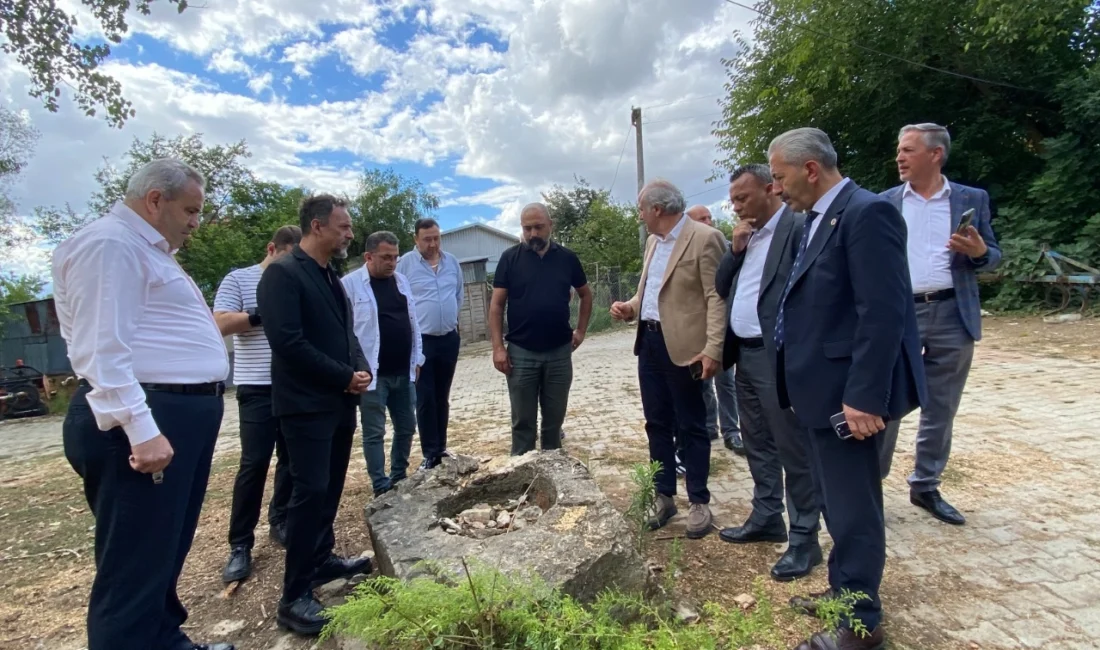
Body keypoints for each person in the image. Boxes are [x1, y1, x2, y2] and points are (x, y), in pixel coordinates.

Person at [52, 158, 235, 650]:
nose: (196, 222)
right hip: (146, 418)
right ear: (156, 200)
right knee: (133, 566)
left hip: (176, 413)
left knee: (162, 551)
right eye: (191, 210)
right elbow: (100, 349)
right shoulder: (110, 245)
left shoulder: (145, 249)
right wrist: (140, 426)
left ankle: (163, 639)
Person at [768, 127, 926, 650]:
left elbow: (882, 314)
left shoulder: (866, 213)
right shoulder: (815, 218)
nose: (777, 189)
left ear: (810, 169)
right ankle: (844, 593)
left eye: (779, 176)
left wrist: (864, 397)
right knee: (837, 503)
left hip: (846, 399)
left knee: (854, 508)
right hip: (816, 392)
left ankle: (862, 622)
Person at [257, 194, 373, 636]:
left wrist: (359, 369)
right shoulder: (283, 275)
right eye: (343, 227)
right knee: (308, 495)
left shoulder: (330, 276)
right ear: (317, 226)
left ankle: (321, 559)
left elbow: (345, 333)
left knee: (329, 490)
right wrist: (344, 375)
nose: (349, 234)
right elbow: (287, 343)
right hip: (305, 408)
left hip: (338, 404)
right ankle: (294, 597)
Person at [879, 123, 1002, 526]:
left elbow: (993, 256)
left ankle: (925, 484)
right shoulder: (884, 202)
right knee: (887, 401)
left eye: (908, 149)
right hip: (900, 314)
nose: (899, 156)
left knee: (941, 407)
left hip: (953, 312)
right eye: (899, 149)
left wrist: (981, 251)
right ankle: (870, 486)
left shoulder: (972, 198)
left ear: (935, 154)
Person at [714, 164, 823, 581]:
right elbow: (723, 286)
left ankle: (804, 539)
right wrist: (735, 250)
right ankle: (766, 517)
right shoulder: (747, 234)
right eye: (734, 200)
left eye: (743, 197)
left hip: (778, 355)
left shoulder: (796, 227)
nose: (737, 206)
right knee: (757, 440)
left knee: (792, 448)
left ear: (770, 188)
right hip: (744, 353)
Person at [610, 179, 727, 540]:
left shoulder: (705, 238)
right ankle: (664, 496)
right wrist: (631, 306)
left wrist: (713, 348)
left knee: (692, 426)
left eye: (642, 209)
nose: (640, 216)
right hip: (650, 343)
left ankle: (698, 501)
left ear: (657, 209)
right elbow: (650, 289)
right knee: (657, 423)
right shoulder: (652, 242)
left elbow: (716, 296)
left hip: (686, 349)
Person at [216, 225, 301, 585]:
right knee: (254, 464)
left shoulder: (298, 278)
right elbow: (219, 323)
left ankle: (279, 520)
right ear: (272, 248)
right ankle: (240, 544)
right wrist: (262, 315)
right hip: (256, 387)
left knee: (291, 460)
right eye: (288, 257)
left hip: (293, 385)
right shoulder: (239, 279)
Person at [489, 202, 593, 455]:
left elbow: (586, 295)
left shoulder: (567, 258)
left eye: (539, 227)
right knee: (523, 423)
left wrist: (580, 331)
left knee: (553, 424)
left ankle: (552, 474)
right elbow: (496, 306)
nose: (533, 234)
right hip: (521, 353)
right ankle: (522, 477)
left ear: (550, 226)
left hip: (559, 352)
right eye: (527, 228)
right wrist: (498, 348)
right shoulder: (509, 259)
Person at [343, 231, 424, 496]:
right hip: (372, 375)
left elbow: (414, 323)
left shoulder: (401, 281)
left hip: (404, 370)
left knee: (407, 427)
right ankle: (380, 484)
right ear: (368, 256)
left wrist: (417, 359)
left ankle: (399, 476)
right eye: (386, 257)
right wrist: (353, 368)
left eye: (395, 257)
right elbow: (346, 332)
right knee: (374, 432)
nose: (392, 263)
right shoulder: (350, 285)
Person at [396, 218, 463, 470]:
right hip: (421, 342)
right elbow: (399, 301)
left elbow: (458, 295)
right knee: (425, 397)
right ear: (415, 239)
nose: (433, 244)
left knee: (442, 396)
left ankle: (441, 447)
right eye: (427, 239)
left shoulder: (452, 262)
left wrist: (451, 321)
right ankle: (430, 453)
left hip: (448, 339)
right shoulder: (405, 265)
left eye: (436, 238)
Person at [685, 204, 743, 455]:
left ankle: (732, 431)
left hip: (724, 326)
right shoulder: (687, 252)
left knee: (726, 381)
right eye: (702, 218)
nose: (709, 221)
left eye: (710, 217)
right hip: (698, 327)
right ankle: (710, 427)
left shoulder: (729, 247)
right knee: (704, 382)